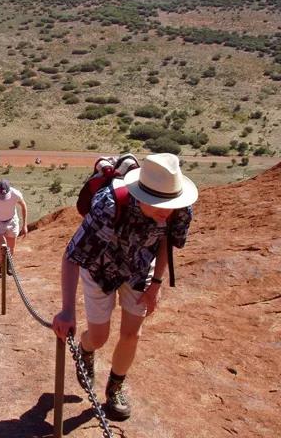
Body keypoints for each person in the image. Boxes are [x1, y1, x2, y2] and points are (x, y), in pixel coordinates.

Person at [51, 153, 197, 421]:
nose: (166, 210)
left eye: (171, 203)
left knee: (132, 334)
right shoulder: (108, 205)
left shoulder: (180, 208)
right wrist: (67, 311)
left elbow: (166, 242)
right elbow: (72, 256)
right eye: (159, 203)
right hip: (100, 269)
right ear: (140, 195)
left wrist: (156, 284)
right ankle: (86, 349)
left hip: (140, 269)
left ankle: (114, 389)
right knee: (99, 337)